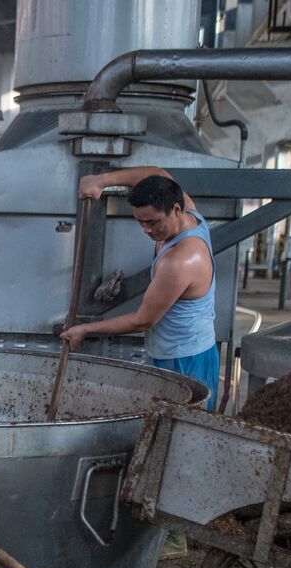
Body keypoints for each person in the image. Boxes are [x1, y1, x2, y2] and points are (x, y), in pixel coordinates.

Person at [63, 166, 220, 409]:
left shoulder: (180, 261)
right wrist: (101, 180)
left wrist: (85, 329)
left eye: (152, 222)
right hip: (178, 349)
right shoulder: (190, 215)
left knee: (180, 433)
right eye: (140, 222)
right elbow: (157, 173)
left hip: (184, 359)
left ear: (175, 210)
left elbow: (142, 321)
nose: (146, 230)